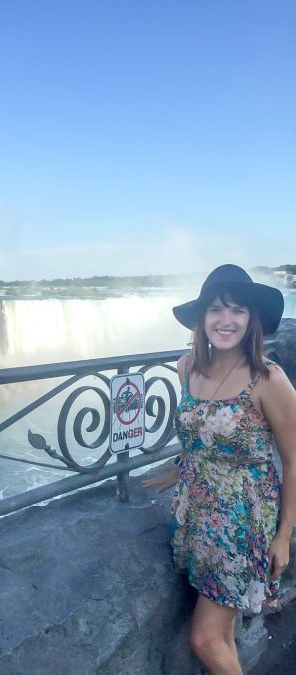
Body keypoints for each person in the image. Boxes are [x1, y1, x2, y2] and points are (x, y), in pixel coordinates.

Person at [142, 264, 296, 675]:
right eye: (215, 309)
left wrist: (284, 535)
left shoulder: (269, 379)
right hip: (195, 513)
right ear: (201, 319)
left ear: (251, 321)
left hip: (242, 522)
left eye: (237, 311)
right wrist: (180, 469)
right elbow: (199, 432)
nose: (225, 320)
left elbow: (295, 459)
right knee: (223, 634)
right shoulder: (185, 367)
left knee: (204, 638)